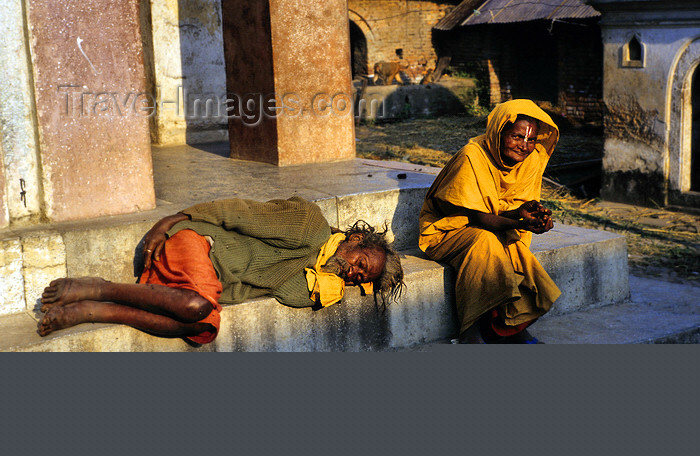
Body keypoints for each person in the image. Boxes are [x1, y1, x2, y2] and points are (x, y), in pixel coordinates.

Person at [38, 196, 405, 345]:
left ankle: (102, 310)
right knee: (197, 307)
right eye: (361, 262)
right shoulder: (309, 226)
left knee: (203, 328)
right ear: (355, 238)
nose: (354, 272)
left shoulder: (320, 281)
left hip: (206, 281)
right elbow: (237, 212)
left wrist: (327, 279)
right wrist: (168, 221)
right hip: (199, 243)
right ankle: (97, 291)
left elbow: (288, 293)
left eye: (362, 277)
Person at [418, 99, 561, 344]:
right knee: (485, 241)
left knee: (514, 250)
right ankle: (470, 331)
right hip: (447, 231)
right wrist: (519, 222)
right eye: (517, 136)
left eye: (530, 140)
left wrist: (528, 215)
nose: (524, 146)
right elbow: (480, 217)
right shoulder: (471, 156)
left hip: (494, 227)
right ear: (498, 132)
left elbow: (508, 208)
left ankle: (512, 328)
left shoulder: (531, 160)